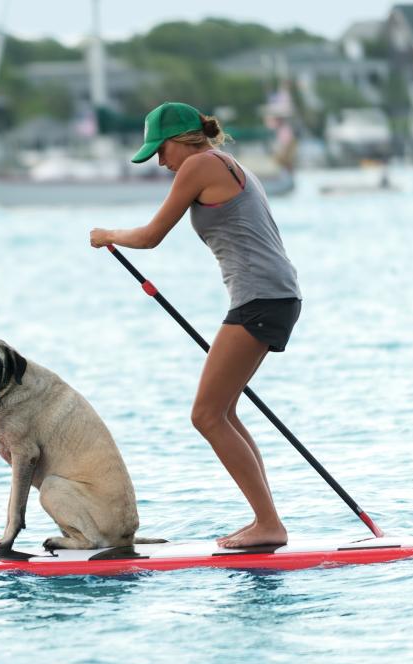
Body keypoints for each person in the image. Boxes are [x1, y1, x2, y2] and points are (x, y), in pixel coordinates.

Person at [89, 102, 302, 549]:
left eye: (160, 150)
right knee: (223, 413)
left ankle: (269, 523)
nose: (160, 163)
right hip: (274, 296)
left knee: (206, 415)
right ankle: (265, 520)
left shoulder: (200, 165)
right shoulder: (228, 163)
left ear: (182, 140)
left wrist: (107, 234)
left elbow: (150, 237)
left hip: (261, 299)